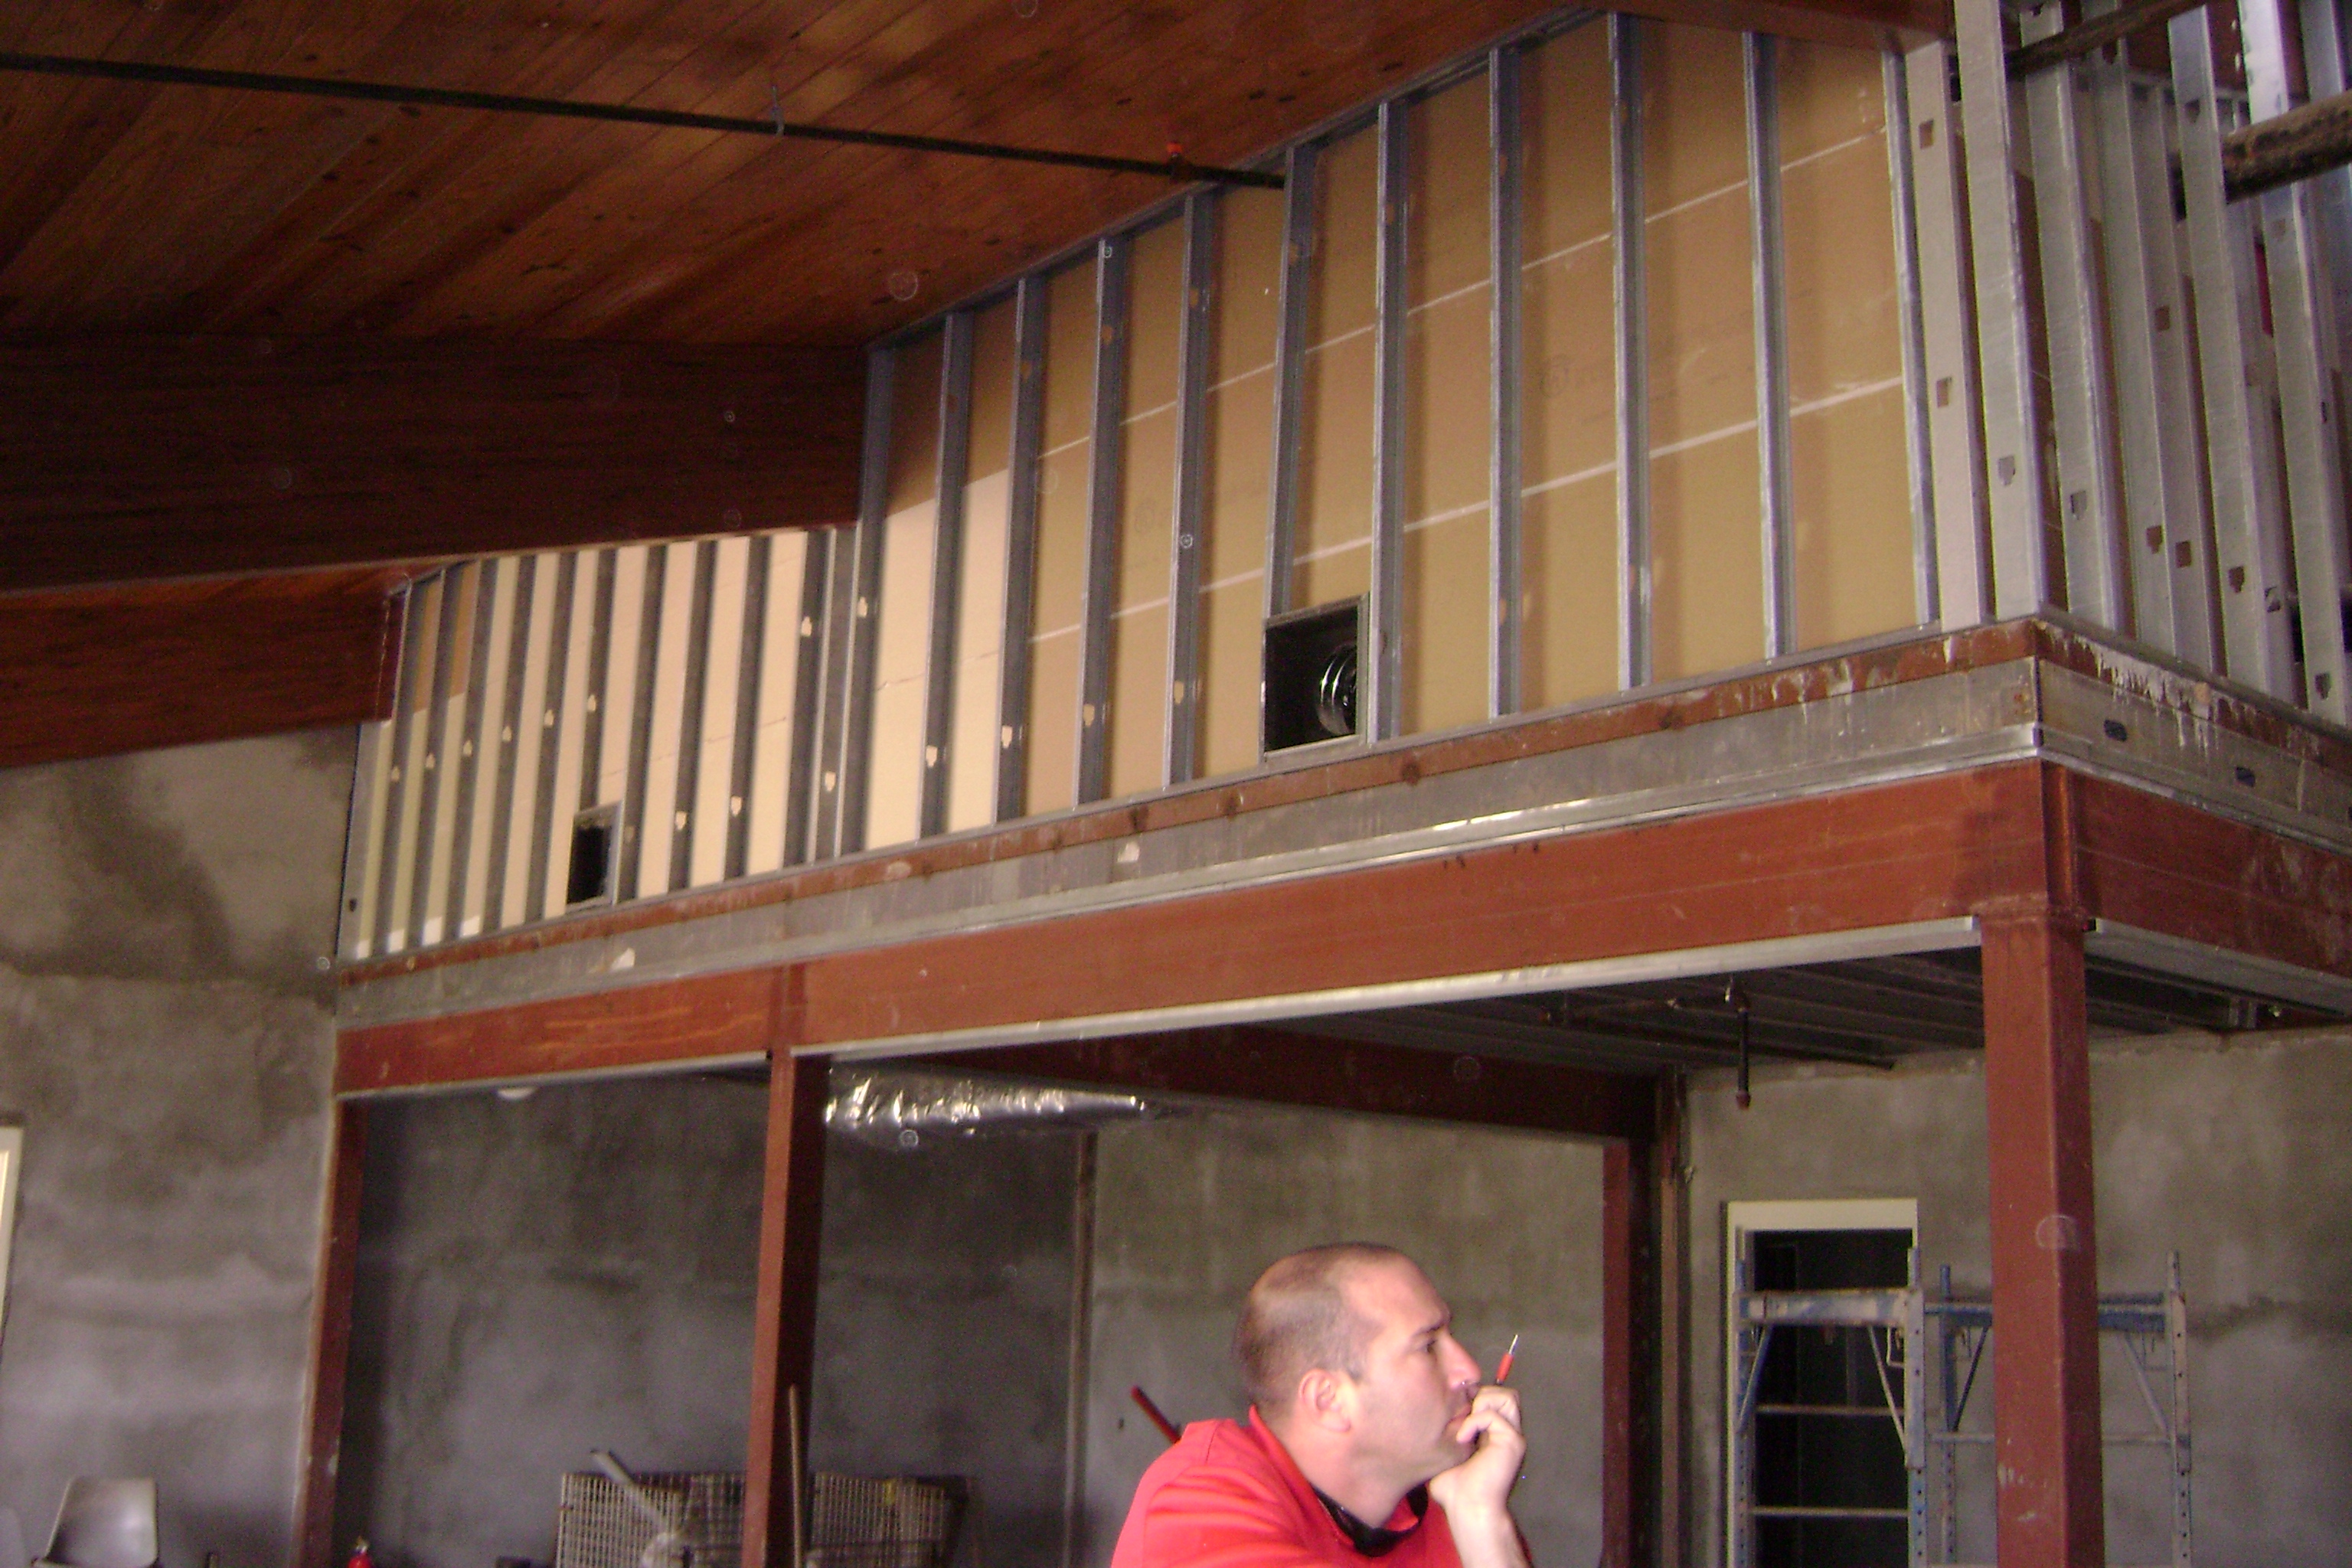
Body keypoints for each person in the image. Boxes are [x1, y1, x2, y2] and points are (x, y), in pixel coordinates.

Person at [1109, 1243, 1529, 1568]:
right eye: (1428, 1347)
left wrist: (1481, 1517)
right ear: (1328, 1401)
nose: (1468, 1370)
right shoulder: (1200, 1506)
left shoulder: (1456, 1507)